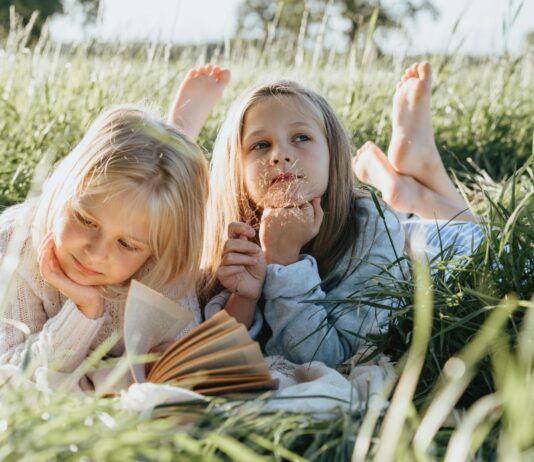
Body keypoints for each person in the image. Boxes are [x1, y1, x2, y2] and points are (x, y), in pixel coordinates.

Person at [202, 62, 484, 367]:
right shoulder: (232, 236)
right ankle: (411, 188)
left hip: (447, 256)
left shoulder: (371, 226)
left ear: (333, 154)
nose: (280, 155)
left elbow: (333, 358)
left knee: (480, 236)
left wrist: (284, 262)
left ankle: (420, 178)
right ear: (236, 170)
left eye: (301, 138)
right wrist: (242, 298)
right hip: (410, 233)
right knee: (421, 223)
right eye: (260, 144)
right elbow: (216, 357)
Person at [0, 65, 230, 373]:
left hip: (159, 221)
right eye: (86, 220)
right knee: (145, 191)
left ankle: (178, 137)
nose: (95, 253)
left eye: (126, 244)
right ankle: (178, 134)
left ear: (153, 252)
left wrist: (172, 359)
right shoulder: (16, 243)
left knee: (161, 192)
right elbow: (11, 371)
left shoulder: (163, 265)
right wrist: (85, 311)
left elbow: (182, 347)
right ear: (65, 189)